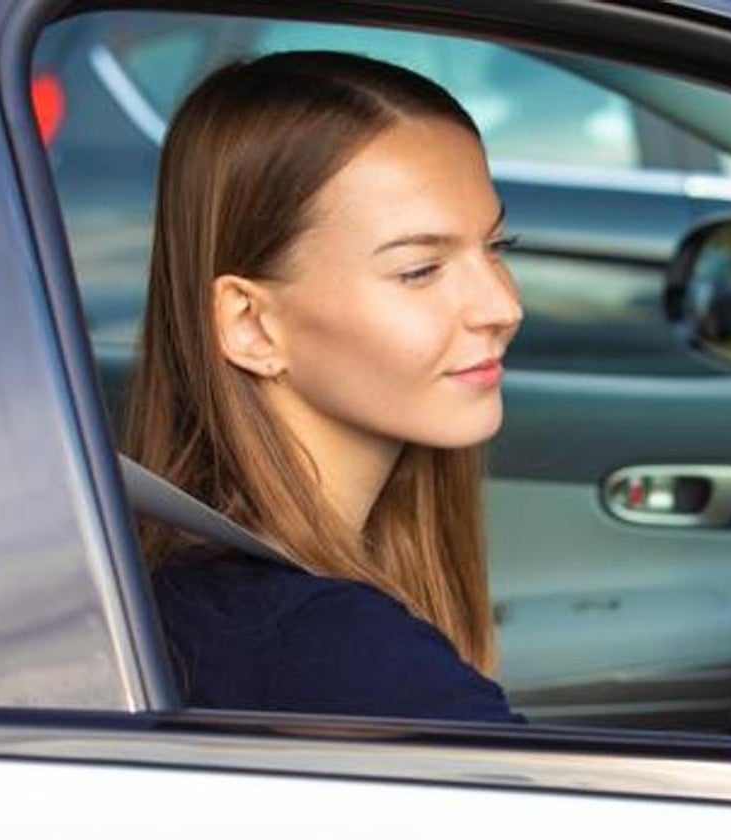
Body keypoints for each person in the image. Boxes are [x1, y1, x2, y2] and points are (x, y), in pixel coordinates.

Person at [125, 51, 525, 723]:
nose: (503, 306)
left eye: (497, 247)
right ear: (251, 324)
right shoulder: (340, 656)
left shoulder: (186, 593)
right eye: (420, 270)